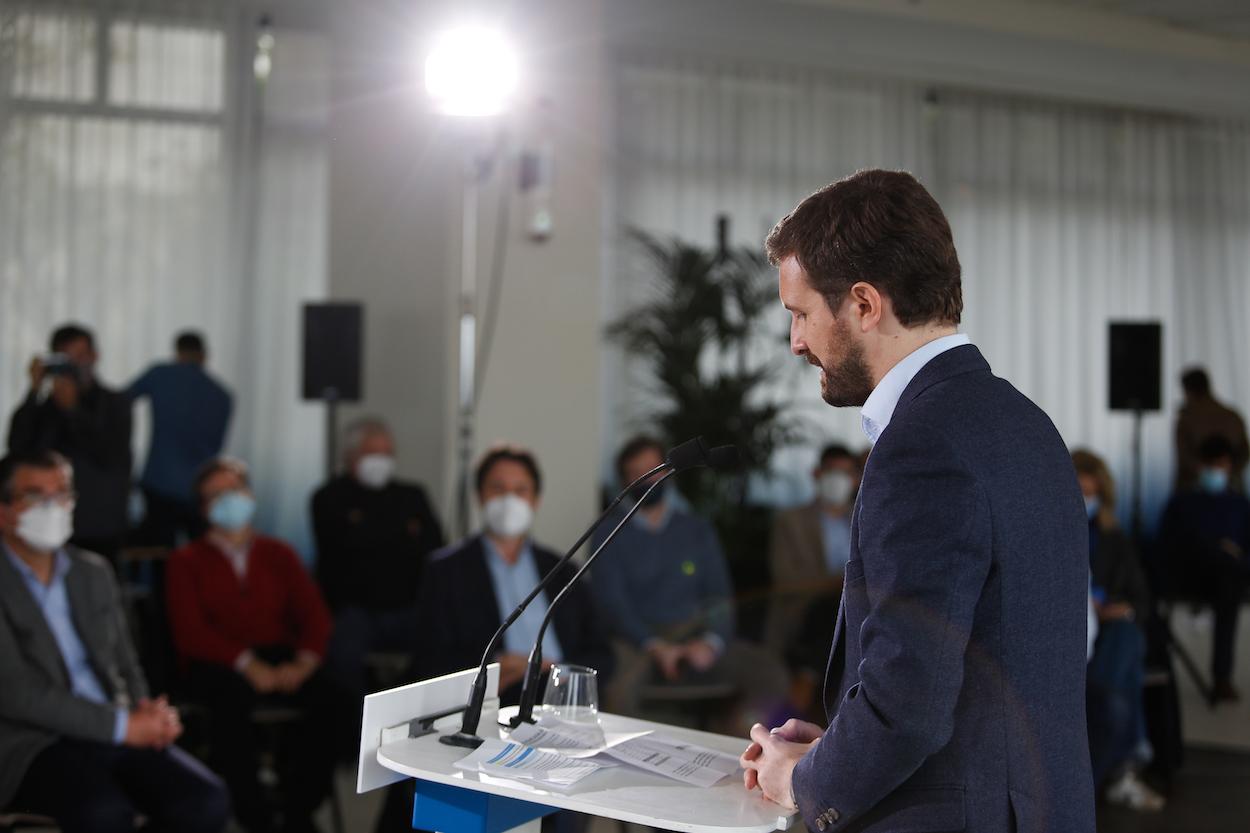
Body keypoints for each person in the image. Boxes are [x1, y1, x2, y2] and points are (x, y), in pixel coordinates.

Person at [738, 170, 1094, 833]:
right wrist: (839, 746)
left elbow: (911, 702)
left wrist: (803, 778)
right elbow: (986, 669)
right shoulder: (1025, 422)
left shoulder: (922, 444)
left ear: (864, 304)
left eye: (800, 312)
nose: (796, 342)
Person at [0, 450, 229, 832]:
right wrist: (122, 726)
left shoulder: (92, 572)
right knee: (104, 813)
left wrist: (147, 715)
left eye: (61, 493)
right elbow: (16, 692)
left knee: (205, 800)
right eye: (36, 496)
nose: (52, 507)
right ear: (4, 511)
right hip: (33, 742)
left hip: (116, 727)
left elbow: (126, 662)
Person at [166, 457, 345, 833]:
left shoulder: (278, 553)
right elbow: (191, 632)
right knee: (230, 708)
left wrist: (304, 663)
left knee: (333, 699)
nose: (228, 499)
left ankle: (299, 807)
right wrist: (245, 663)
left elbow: (315, 616)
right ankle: (254, 814)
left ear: (249, 494)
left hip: (279, 654)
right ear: (203, 508)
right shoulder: (185, 561)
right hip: (218, 662)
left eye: (234, 489)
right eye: (216, 495)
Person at [591, 436, 787, 726]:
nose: (649, 480)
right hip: (636, 639)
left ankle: (734, 753)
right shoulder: (608, 532)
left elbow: (719, 594)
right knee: (619, 690)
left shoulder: (696, 528)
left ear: (668, 472)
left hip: (694, 630)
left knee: (769, 673)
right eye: (637, 473)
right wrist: (653, 644)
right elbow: (613, 604)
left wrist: (711, 641)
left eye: (654, 469)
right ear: (625, 481)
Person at [414, 444, 614, 700]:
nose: (510, 500)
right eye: (498, 489)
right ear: (480, 495)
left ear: (535, 499)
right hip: (492, 700)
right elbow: (430, 657)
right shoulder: (445, 571)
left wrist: (550, 670)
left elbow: (602, 654)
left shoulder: (563, 570)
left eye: (521, 490)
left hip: (560, 698)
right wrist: (495, 667)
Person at [312, 418, 444, 696]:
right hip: (356, 610)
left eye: (387, 453)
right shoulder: (328, 498)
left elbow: (435, 549)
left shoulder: (412, 495)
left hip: (409, 607)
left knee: (445, 648)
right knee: (342, 659)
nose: (380, 460)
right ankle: (354, 729)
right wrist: (401, 535)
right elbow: (341, 555)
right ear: (350, 456)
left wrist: (369, 531)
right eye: (372, 452)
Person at [1072, 450, 1164, 812]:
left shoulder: (1116, 541)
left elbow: (1141, 602)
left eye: (1089, 494)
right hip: (1070, 632)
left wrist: (1114, 610)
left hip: (1107, 633)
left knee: (1126, 641)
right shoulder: (1044, 535)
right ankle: (1126, 765)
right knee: (1123, 675)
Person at [7, 324, 132, 564]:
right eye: (67, 358)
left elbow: (108, 454)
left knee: (97, 592)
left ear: (95, 356)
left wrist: (72, 410)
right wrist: (34, 391)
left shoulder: (115, 403)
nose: (75, 366)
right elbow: (18, 450)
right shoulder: (45, 408)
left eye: (81, 356)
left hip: (100, 525)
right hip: (45, 523)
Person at [1158, 434, 1250, 704]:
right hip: (1190, 575)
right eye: (1212, 465)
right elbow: (1167, 546)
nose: (1216, 471)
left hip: (1228, 579)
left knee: (1229, 579)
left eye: (1221, 465)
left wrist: (1234, 556)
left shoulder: (1240, 506)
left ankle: (1222, 677)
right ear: (1200, 466)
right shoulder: (1182, 503)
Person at [129, 331, 233, 546]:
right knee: (201, 554)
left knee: (160, 554)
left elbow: (119, 403)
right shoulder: (222, 394)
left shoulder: (160, 376)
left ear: (177, 352)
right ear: (204, 355)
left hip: (159, 482)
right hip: (201, 487)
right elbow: (217, 446)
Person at [765, 443, 860, 655]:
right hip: (804, 616)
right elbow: (786, 579)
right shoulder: (790, 521)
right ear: (817, 474)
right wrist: (839, 585)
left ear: (855, 479)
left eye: (845, 473)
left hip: (855, 615)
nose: (838, 480)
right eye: (832, 472)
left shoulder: (865, 521)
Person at [1174, 367, 1248, 493]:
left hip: (1195, 493)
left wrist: (1207, 474)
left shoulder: (1187, 419)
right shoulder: (1232, 416)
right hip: (1231, 489)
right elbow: (1245, 453)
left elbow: (1184, 457)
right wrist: (1228, 474)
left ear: (1188, 390)